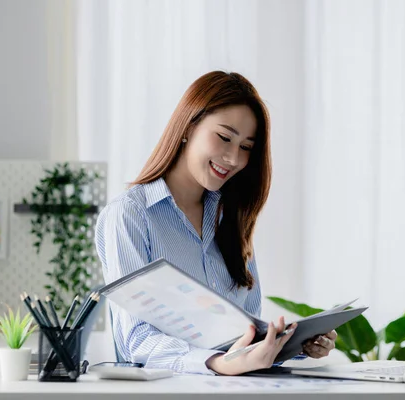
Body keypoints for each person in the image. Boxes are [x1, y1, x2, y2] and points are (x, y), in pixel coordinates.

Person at [95, 71, 337, 375]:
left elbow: (243, 339)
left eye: (247, 146)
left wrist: (296, 343)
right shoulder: (129, 215)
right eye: (224, 137)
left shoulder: (231, 217)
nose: (234, 158)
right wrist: (218, 363)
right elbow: (137, 340)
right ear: (189, 126)